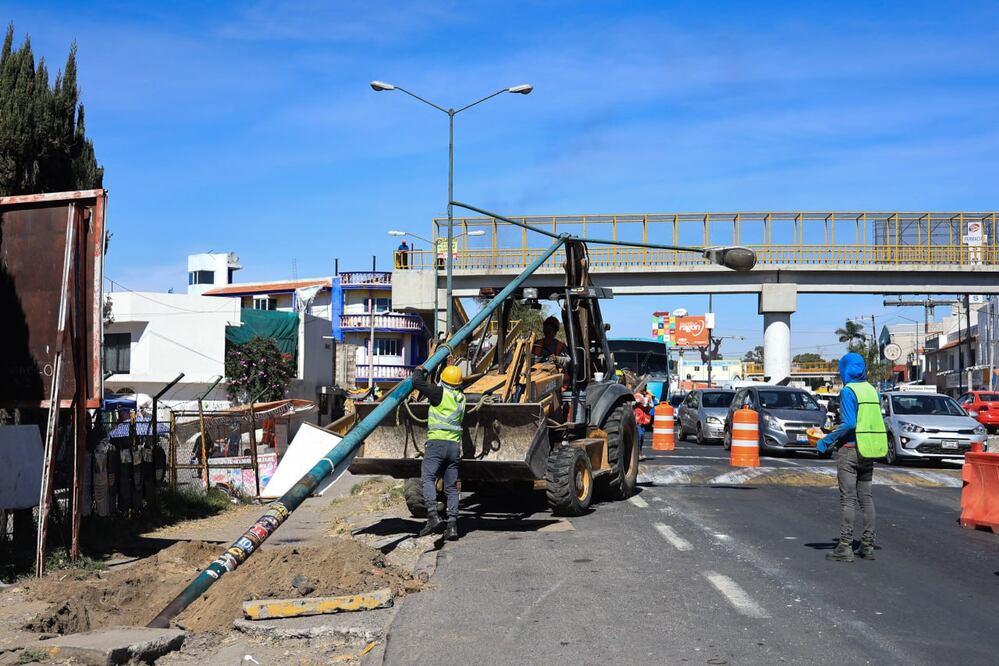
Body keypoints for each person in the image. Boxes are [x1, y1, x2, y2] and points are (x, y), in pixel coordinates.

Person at [815, 352, 888, 562]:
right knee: (866, 498)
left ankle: (845, 546)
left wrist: (826, 440)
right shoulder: (872, 390)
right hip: (869, 449)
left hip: (849, 450)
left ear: (845, 369)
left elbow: (850, 423)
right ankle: (867, 545)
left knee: (847, 499)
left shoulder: (848, 391)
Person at [412, 364, 466, 541]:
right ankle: (452, 527)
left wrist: (419, 370)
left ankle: (433, 515)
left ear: (443, 379)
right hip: (454, 447)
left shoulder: (439, 393)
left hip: (437, 444)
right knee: (451, 487)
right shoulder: (461, 398)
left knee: (427, 477)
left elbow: (417, 383)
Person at [633, 388, 655, 458]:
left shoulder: (648, 396)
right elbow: (631, 403)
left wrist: (648, 403)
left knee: (641, 437)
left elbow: (652, 405)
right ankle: (637, 453)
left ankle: (639, 452)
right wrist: (638, 402)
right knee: (639, 435)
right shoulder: (635, 395)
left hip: (644, 420)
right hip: (637, 419)